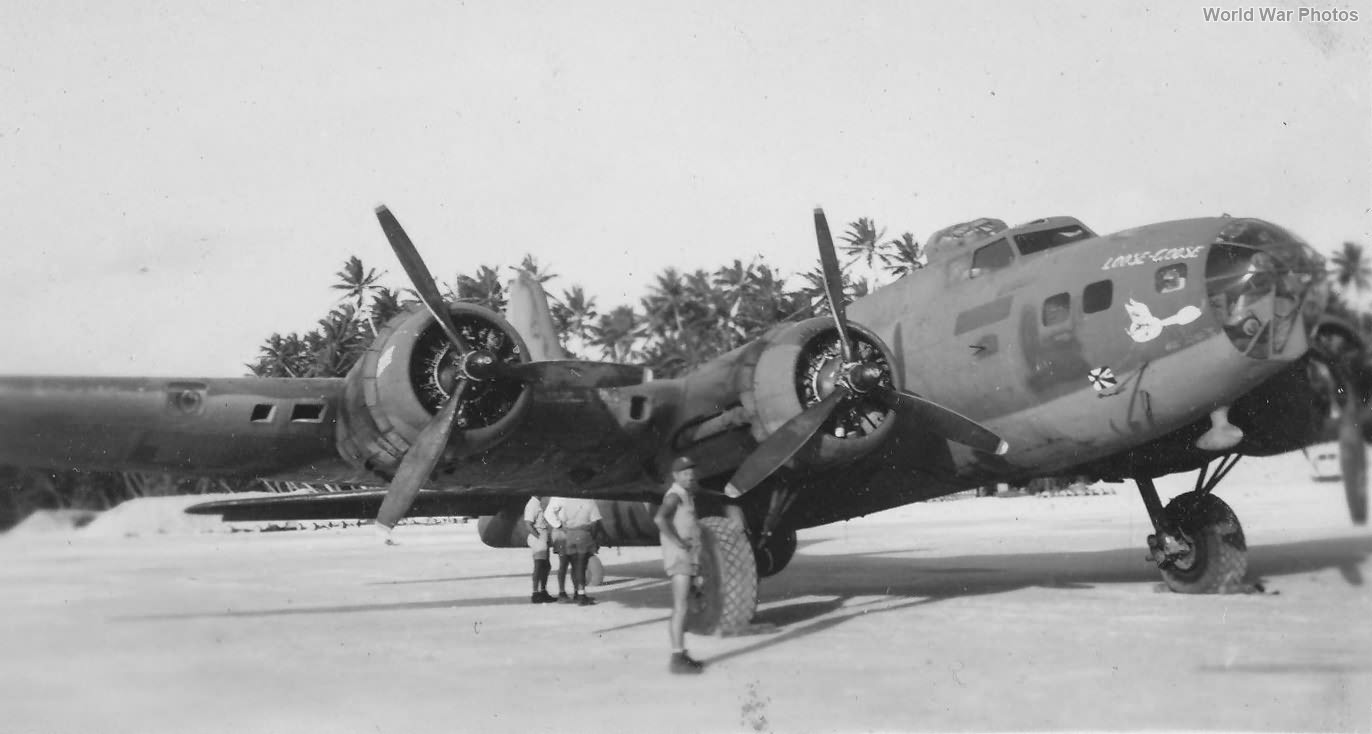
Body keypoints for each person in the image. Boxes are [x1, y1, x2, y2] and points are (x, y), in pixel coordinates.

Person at [653, 455, 705, 674]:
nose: (690, 476)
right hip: (680, 558)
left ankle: (681, 653)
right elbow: (659, 519)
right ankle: (677, 657)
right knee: (681, 606)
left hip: (689, 558)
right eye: (685, 473)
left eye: (691, 472)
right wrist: (677, 542)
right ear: (675, 476)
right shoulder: (674, 495)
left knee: (689, 603)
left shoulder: (686, 495)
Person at [544, 497, 603, 606]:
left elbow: (548, 514)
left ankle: (574, 592)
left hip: (568, 533)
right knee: (576, 565)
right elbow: (595, 522)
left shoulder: (561, 498)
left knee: (569, 565)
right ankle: (578, 594)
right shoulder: (588, 500)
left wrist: (560, 525)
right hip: (575, 534)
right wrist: (593, 538)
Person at [524, 496, 555, 604]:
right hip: (539, 535)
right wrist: (539, 537)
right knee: (539, 566)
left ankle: (543, 591)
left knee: (546, 566)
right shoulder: (532, 504)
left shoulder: (537, 503)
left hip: (542, 535)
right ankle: (536, 593)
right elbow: (528, 524)